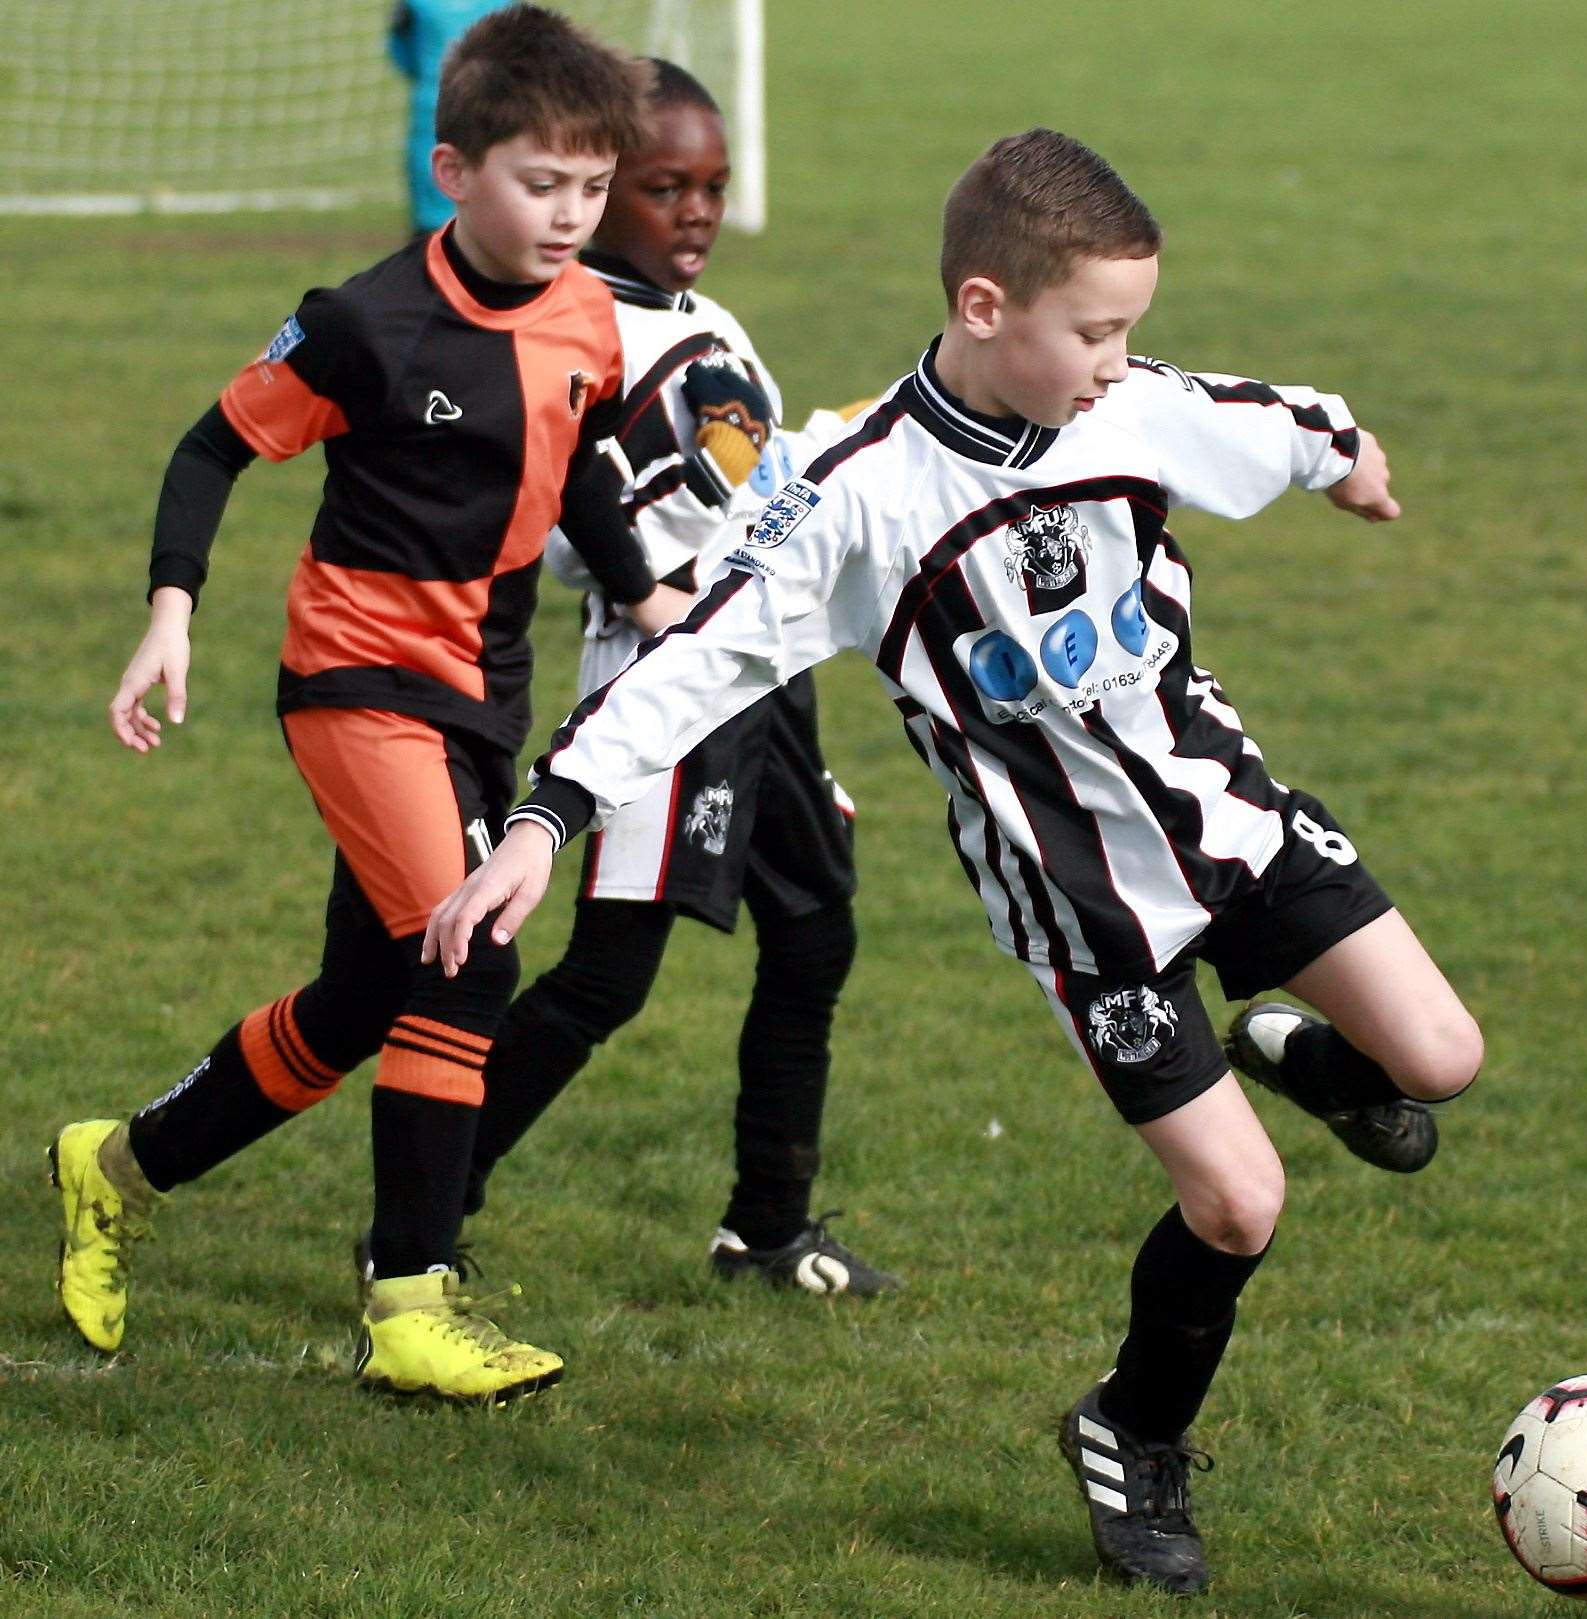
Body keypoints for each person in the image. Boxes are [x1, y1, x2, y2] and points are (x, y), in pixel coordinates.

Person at [425, 127, 1484, 1587]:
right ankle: (1132, 1429)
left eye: (1132, 328)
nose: (1119, 360)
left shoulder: (1136, 406)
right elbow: (702, 655)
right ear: (987, 308)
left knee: (1442, 1059)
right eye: (1095, 330)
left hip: (1229, 820)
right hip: (1084, 912)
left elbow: (1281, 416)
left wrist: (1349, 458)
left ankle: (1300, 1044)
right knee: (1239, 1203)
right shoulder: (849, 488)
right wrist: (551, 811)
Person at [50, 4, 688, 1405]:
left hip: (480, 693)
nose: (574, 215)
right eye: (542, 183)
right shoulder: (367, 323)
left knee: (360, 1000)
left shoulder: (590, 312)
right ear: (456, 172)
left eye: (594, 187)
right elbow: (213, 444)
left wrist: (649, 599)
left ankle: (112, 1164)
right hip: (353, 680)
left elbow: (577, 462)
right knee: (469, 951)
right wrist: (171, 608)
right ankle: (411, 1297)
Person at [435, 60, 897, 1296]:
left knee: (814, 930)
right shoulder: (577, 331)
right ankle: (424, 1214)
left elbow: (757, 478)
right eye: (663, 186)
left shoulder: (710, 321)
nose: (694, 211)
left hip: (766, 674)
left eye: (711, 187)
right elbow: (592, 521)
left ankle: (770, 1227)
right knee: (605, 975)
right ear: (596, 190)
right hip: (663, 677)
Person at [388, 0, 509, 237]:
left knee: (431, 224)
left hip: (434, 112)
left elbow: (401, 54)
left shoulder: (415, 5)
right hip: (494, 112)